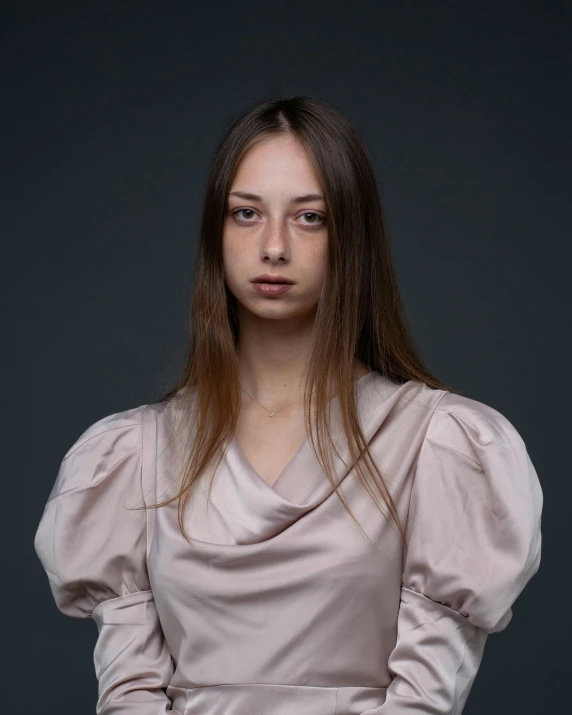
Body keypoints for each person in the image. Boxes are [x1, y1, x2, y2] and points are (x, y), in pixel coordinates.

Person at [34, 96, 543, 715]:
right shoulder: (135, 454)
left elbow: (423, 702)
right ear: (214, 233)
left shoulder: (435, 443)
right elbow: (129, 696)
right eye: (246, 214)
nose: (273, 247)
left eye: (310, 218)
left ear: (352, 236)